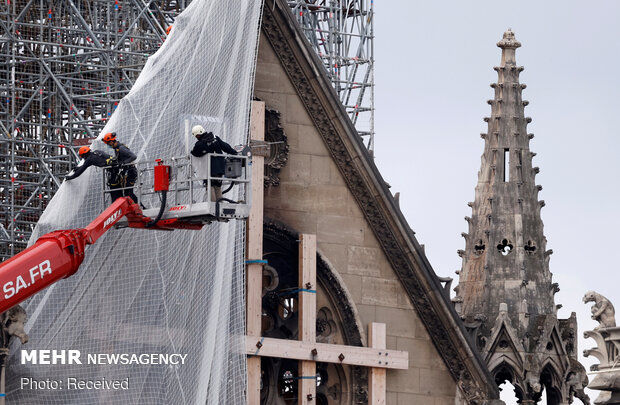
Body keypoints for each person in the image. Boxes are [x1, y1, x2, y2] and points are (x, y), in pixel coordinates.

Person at [190, 125, 237, 201]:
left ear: (198, 135)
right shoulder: (215, 138)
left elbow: (195, 153)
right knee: (218, 187)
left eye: (196, 136)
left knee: (210, 186)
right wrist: (235, 153)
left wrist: (191, 152)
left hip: (209, 169)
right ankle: (220, 205)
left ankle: (213, 206)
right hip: (220, 168)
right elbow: (225, 146)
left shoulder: (200, 144)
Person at [102, 132, 139, 204]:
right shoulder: (117, 149)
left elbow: (133, 156)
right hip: (126, 172)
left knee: (128, 192)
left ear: (111, 141)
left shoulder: (121, 148)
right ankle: (137, 206)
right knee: (127, 192)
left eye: (108, 143)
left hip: (130, 172)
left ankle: (139, 207)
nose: (108, 145)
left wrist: (124, 163)